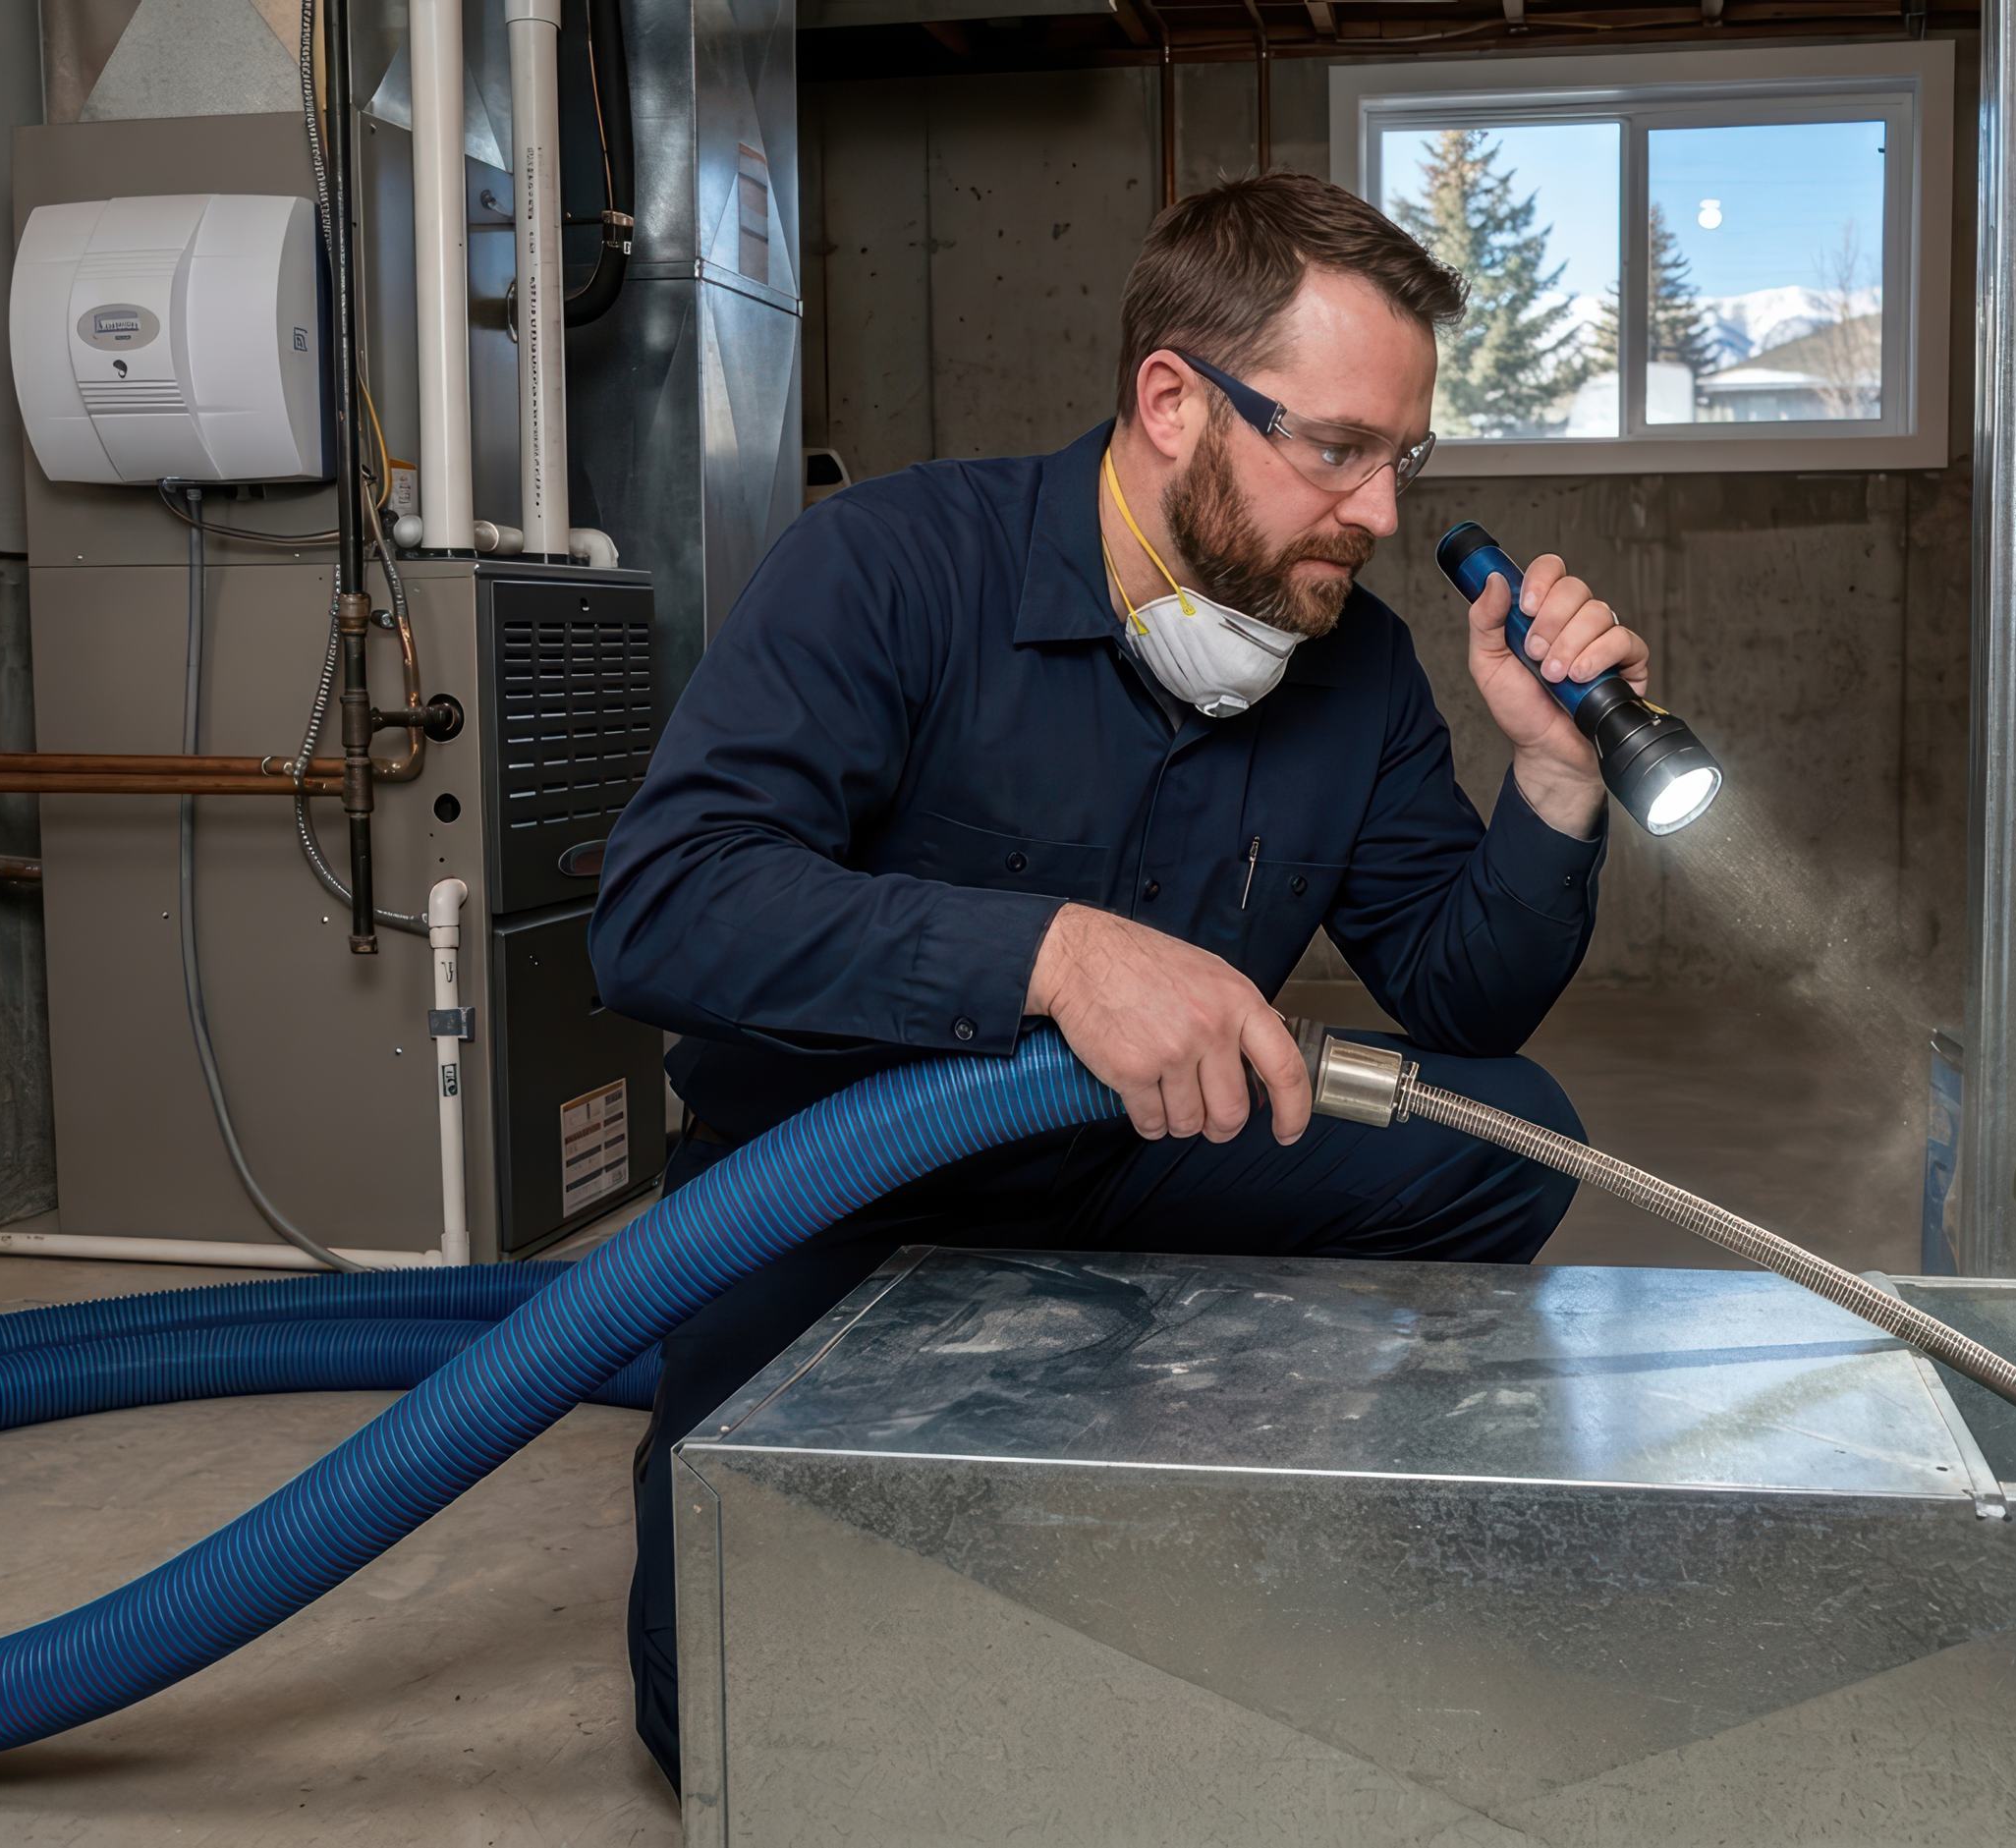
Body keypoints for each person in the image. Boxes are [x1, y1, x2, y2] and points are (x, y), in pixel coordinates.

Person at [589, 170, 1655, 1788]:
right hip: (834, 1196)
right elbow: (664, 905)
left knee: (1510, 1130)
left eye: (1405, 457)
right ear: (1172, 399)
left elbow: (1460, 995)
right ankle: (1020, 1391)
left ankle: (1118, 1384)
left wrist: (1557, 781)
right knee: (736, 1706)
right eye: (1337, 448)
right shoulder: (887, 568)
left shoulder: (1351, 660)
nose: (1379, 513)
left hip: (1138, 1163)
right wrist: (1053, 953)